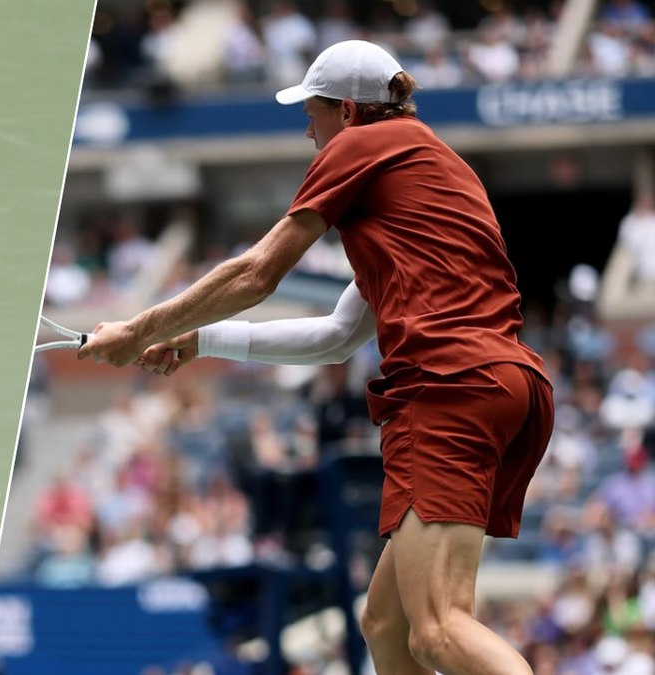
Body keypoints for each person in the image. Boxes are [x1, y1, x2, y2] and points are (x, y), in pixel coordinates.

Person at [79, 41, 555, 675]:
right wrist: (202, 341)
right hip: (511, 386)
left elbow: (256, 273)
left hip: (448, 387)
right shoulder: (432, 169)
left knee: (439, 628)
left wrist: (138, 329)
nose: (309, 130)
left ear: (349, 112)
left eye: (314, 112)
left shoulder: (360, 146)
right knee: (386, 625)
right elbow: (338, 335)